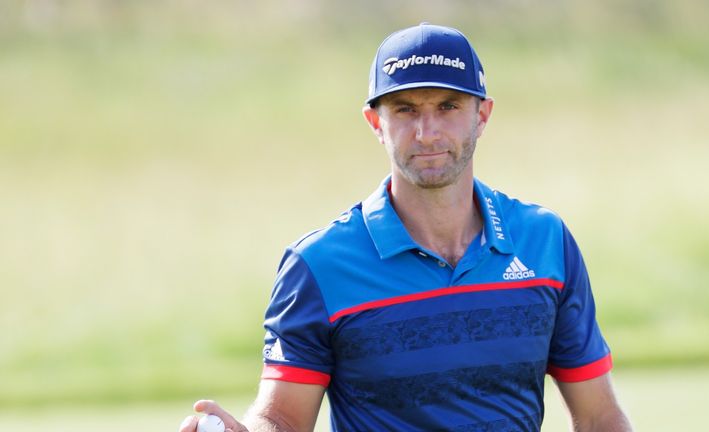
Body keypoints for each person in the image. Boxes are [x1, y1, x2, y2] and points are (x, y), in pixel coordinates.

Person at [179, 23, 632, 432]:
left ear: (483, 115)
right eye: (405, 110)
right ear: (376, 122)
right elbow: (282, 417)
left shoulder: (545, 241)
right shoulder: (319, 265)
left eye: (448, 106)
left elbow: (598, 417)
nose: (427, 132)